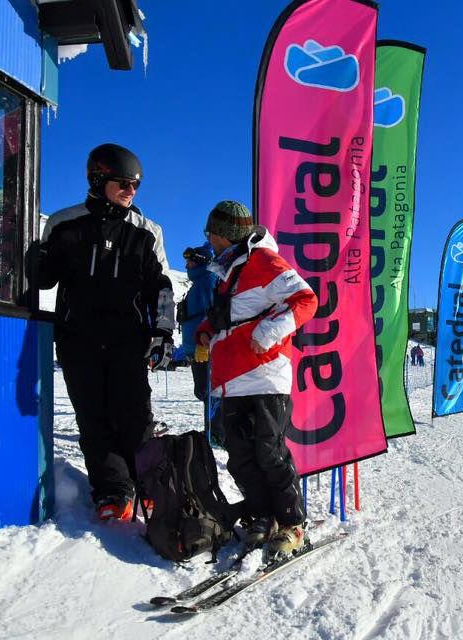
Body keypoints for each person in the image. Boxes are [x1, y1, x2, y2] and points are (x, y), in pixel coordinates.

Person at [33, 143, 175, 521]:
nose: (131, 191)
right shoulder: (64, 224)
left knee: (134, 417)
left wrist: (163, 331)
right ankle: (113, 492)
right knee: (93, 418)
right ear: (98, 180)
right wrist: (38, 260)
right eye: (123, 183)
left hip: (128, 339)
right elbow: (45, 280)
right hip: (78, 339)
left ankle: (150, 489)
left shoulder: (147, 232)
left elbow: (161, 288)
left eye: (136, 186)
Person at [196, 201, 318, 555]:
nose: (209, 239)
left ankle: (293, 523)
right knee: (240, 455)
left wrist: (270, 331)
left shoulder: (265, 262)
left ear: (225, 235)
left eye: (213, 233)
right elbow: (225, 317)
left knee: (269, 452)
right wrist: (205, 332)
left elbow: (306, 300)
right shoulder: (228, 271)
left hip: (265, 375)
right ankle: (262, 515)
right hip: (231, 378)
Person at [181, 243, 224, 444]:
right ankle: (212, 430)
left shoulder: (208, 280)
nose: (187, 265)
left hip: (204, 346)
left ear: (201, 261)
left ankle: (216, 432)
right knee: (204, 391)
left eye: (190, 261)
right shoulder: (199, 282)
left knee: (210, 391)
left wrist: (206, 340)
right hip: (196, 347)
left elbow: (211, 314)